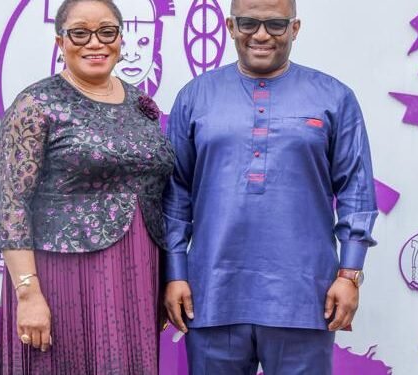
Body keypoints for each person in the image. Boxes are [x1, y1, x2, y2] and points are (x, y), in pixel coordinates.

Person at [162, 0, 378, 373]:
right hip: (212, 292)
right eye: (249, 23)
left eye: (276, 24)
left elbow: (356, 190)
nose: (261, 35)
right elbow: (176, 193)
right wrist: (176, 272)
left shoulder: (333, 97)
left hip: (305, 296)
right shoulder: (195, 97)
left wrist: (349, 275)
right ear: (230, 27)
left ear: (295, 29)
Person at [0, 0, 174, 373]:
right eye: (80, 33)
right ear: (60, 42)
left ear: (120, 40)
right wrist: (28, 294)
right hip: (63, 279)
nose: (95, 42)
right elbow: (10, 205)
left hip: (136, 273)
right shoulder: (35, 105)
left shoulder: (140, 102)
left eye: (107, 32)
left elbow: (157, 190)